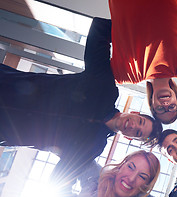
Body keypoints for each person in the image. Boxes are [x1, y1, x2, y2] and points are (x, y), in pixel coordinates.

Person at [0, 18, 162, 187]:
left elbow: (58, 180)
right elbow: (100, 29)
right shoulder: (105, 88)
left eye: (137, 133)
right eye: (141, 122)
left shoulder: (93, 147)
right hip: (5, 83)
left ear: (129, 138)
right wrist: (143, 34)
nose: (134, 126)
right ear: (135, 113)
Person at [108, 0, 177, 124]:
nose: (166, 105)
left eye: (161, 109)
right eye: (172, 107)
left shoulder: (124, 75)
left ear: (152, 104)